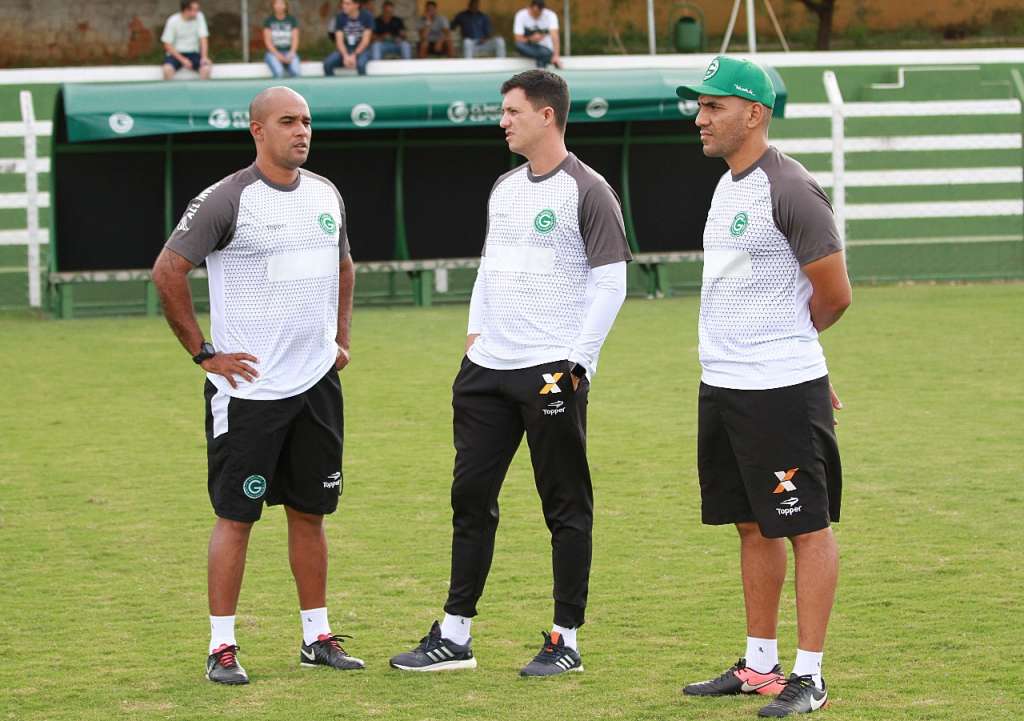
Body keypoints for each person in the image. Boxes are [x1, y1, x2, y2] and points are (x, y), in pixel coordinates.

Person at [389, 70, 632, 677]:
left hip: (550, 371)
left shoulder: (589, 190)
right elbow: (489, 268)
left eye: (512, 111)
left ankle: (565, 639)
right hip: (486, 372)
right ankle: (455, 636)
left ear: (547, 116)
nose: (502, 121)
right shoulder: (503, 187)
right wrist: (475, 338)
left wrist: (579, 361)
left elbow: (610, 282)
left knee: (564, 505)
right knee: (469, 497)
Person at [151, 86, 361, 685]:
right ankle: (221, 646)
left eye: (307, 121)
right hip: (249, 394)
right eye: (288, 121)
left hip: (315, 386)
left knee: (311, 513)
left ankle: (317, 637)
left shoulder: (325, 193)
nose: (302, 131)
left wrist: (340, 339)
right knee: (236, 516)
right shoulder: (226, 199)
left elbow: (343, 265)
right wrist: (204, 353)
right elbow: (168, 271)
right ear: (258, 131)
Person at [675, 56, 851, 717]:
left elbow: (835, 294)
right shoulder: (727, 186)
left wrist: (794, 354)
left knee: (807, 527)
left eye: (713, 106)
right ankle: (759, 666)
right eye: (700, 105)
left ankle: (810, 676)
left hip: (778, 389)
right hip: (722, 386)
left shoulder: (792, 187)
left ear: (754, 113)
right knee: (752, 526)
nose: (700, 118)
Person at [161, 0, 213, 80]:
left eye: (197, 9)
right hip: (176, 54)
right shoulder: (172, 20)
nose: (197, 12)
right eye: (194, 10)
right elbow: (167, 44)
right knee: (167, 69)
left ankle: (202, 88)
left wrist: (204, 57)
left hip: (193, 53)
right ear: (186, 10)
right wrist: (183, 60)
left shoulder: (200, 16)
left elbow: (203, 39)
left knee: (206, 68)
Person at [323, 0, 373, 76]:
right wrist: (345, 56)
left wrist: (354, 55)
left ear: (356, 5)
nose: (344, 6)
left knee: (361, 65)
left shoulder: (367, 16)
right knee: (327, 64)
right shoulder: (339, 17)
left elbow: (365, 41)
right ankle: (333, 83)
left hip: (362, 50)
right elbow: (339, 41)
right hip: (345, 49)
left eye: (347, 4)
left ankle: (363, 83)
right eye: (343, 3)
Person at [513, 0, 560, 69]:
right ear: (529, 8)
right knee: (519, 45)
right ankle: (545, 60)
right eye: (534, 11)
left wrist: (556, 56)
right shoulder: (521, 15)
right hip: (529, 46)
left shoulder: (551, 15)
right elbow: (518, 38)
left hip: (546, 49)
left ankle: (544, 60)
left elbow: (555, 35)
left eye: (539, 12)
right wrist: (531, 39)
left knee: (546, 53)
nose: (536, 14)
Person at [263, 0, 301, 78]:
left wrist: (292, 53)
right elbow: (268, 41)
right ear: (273, 6)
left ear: (286, 6)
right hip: (273, 53)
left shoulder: (292, 20)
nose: (279, 6)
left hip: (289, 52)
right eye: (277, 3)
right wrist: (279, 56)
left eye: (282, 3)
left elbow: (295, 39)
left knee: (296, 72)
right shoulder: (269, 21)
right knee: (279, 73)